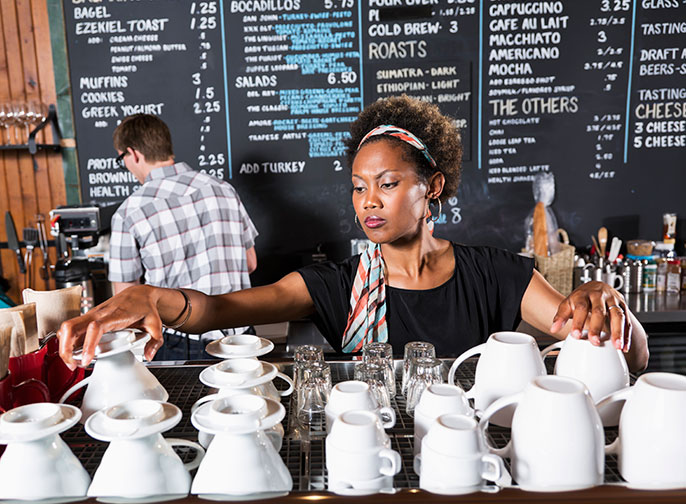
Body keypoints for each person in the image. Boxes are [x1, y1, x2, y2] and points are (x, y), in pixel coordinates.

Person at [59, 96, 649, 373]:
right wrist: (149, 298)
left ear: (432, 187)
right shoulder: (338, 284)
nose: (368, 201)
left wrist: (609, 306)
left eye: (387, 183)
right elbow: (219, 309)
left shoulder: (496, 273)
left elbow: (615, 351)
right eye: (358, 187)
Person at [108, 114, 259, 346]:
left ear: (134, 154)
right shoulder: (224, 189)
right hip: (242, 337)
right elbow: (250, 263)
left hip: (182, 343)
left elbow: (126, 300)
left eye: (122, 159)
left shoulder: (129, 212)